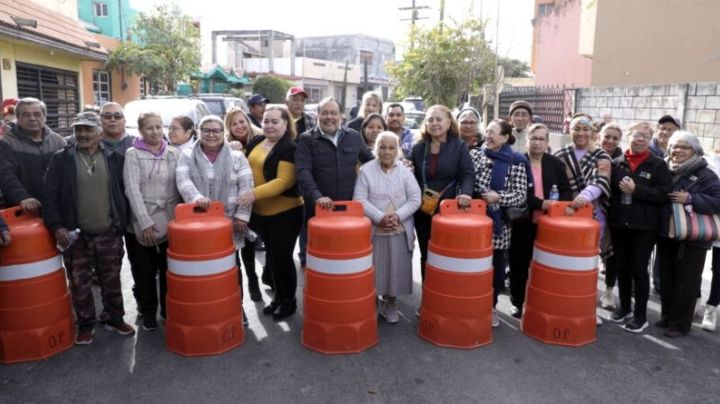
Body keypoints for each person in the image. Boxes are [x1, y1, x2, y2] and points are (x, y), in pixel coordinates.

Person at [42, 111, 134, 345]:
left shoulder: (114, 158)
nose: (82, 134)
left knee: (111, 278)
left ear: (100, 133)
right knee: (79, 282)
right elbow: (49, 196)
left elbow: (124, 192)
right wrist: (57, 226)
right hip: (75, 235)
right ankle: (85, 324)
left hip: (108, 231)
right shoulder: (61, 159)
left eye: (88, 129)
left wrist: (119, 224)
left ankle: (114, 318)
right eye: (78, 130)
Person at [176, 115, 254, 322]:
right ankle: (207, 309)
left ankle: (237, 308)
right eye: (206, 130)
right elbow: (183, 180)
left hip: (230, 223)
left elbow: (247, 187)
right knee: (203, 269)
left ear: (223, 133)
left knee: (231, 267)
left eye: (216, 130)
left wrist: (242, 216)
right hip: (198, 225)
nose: (211, 134)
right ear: (198, 132)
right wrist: (197, 198)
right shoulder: (186, 155)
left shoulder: (237, 156)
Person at [238, 106, 304, 320]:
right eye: (266, 121)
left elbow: (283, 182)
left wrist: (252, 194)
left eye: (275, 121)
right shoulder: (257, 142)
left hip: (285, 213)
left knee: (283, 259)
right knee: (272, 259)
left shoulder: (290, 148)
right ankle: (278, 298)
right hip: (260, 214)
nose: (269, 125)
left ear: (286, 124)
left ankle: (289, 302)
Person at [607, 122, 672, 334]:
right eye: (637, 135)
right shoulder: (616, 163)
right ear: (629, 136)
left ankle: (640, 316)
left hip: (644, 227)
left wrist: (637, 190)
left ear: (650, 139)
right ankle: (624, 308)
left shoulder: (658, 165)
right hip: (619, 225)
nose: (640, 139)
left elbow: (664, 194)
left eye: (645, 136)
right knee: (621, 268)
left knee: (638, 270)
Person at [295, 97, 374, 267]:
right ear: (317, 115)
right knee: (318, 258)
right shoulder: (306, 140)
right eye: (324, 113)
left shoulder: (353, 136)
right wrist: (317, 197)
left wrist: (395, 164)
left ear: (341, 116)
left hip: (349, 208)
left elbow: (370, 161)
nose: (329, 117)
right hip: (318, 209)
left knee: (344, 255)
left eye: (333, 113)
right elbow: (303, 172)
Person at [656, 131, 720, 337]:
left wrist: (691, 198)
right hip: (667, 233)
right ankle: (667, 316)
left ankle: (680, 324)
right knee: (665, 277)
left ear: (695, 150)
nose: (678, 150)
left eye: (684, 147)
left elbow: (717, 201)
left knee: (686, 281)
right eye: (674, 146)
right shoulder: (664, 169)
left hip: (693, 238)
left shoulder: (706, 174)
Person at [354, 131, 421, 323]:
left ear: (398, 150)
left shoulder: (405, 172)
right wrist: (380, 217)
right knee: (373, 267)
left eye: (391, 147)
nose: (386, 151)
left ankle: (391, 302)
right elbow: (359, 199)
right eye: (382, 147)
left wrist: (398, 216)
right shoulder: (366, 170)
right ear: (376, 148)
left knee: (396, 267)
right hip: (375, 228)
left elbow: (415, 198)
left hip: (400, 227)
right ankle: (371, 301)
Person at [123, 111, 181, 331]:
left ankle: (167, 311)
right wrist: (144, 222)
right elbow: (132, 189)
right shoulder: (133, 154)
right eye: (150, 128)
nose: (156, 132)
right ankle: (148, 313)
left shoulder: (173, 153)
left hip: (171, 218)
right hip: (142, 219)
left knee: (169, 270)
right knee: (145, 272)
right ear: (140, 130)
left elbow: (179, 185)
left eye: (159, 127)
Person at [508, 123, 572, 319]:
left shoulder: (556, 164)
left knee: (545, 264)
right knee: (519, 263)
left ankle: (541, 300)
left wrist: (560, 205)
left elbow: (566, 190)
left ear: (547, 142)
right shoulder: (517, 162)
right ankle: (517, 302)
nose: (537, 142)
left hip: (549, 224)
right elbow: (518, 193)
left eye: (541, 139)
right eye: (533, 138)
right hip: (522, 221)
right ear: (526, 140)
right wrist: (541, 203)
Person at [554, 114, 612, 324]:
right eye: (577, 128)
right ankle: (563, 303)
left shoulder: (601, 155)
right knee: (562, 261)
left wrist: (584, 196)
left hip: (591, 215)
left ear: (593, 132)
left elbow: (601, 180)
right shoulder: (561, 154)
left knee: (587, 265)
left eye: (586, 129)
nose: (581, 133)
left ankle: (588, 308)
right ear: (570, 131)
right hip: (564, 214)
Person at [471, 118, 529, 327]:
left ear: (505, 137)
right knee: (473, 268)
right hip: (474, 221)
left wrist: (499, 197)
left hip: (499, 225)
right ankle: (472, 305)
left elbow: (521, 195)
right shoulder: (475, 154)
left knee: (495, 271)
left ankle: (491, 307)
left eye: (493, 132)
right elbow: (466, 182)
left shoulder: (517, 161)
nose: (488, 135)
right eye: (486, 131)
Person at [408, 105, 474, 282]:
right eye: (430, 120)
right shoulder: (419, 148)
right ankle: (428, 299)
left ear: (448, 121)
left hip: (449, 211)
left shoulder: (459, 146)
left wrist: (466, 193)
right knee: (426, 254)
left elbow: (468, 174)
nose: (434, 123)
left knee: (448, 255)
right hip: (424, 210)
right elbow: (409, 175)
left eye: (438, 119)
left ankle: (446, 297)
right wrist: (407, 167)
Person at [224, 106, 264, 299]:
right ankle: (252, 283)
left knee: (263, 246)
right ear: (228, 127)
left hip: (262, 201)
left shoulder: (261, 139)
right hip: (241, 204)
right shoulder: (226, 146)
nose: (239, 126)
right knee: (245, 246)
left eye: (242, 121)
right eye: (234, 124)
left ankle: (262, 277)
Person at [0, 97, 66, 212]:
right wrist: (23, 197)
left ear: (44, 117)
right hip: (25, 210)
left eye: (37, 114)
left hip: (57, 207)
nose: (32, 118)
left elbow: (67, 175)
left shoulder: (59, 141)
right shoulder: (6, 143)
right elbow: (6, 176)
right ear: (18, 118)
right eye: (26, 115)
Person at [703, 148, 720, 332]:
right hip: (702, 219)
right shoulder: (707, 161)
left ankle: (711, 307)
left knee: (719, 269)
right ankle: (695, 299)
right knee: (694, 264)